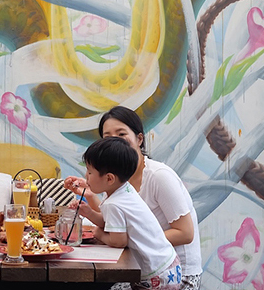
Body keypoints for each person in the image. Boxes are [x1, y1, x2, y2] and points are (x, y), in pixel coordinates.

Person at [65, 106, 202, 290]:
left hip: (176, 274)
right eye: (108, 137)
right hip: (141, 269)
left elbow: (185, 233)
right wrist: (89, 196)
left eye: (121, 134)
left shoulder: (158, 176)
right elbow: (112, 219)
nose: (115, 141)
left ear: (139, 139)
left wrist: (131, 238)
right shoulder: (118, 178)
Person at [77, 136, 181, 290]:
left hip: (156, 276)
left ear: (110, 178)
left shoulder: (114, 204)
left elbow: (119, 240)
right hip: (168, 264)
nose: (86, 176)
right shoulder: (124, 190)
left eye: (90, 172)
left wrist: (98, 234)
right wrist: (90, 214)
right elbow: (110, 222)